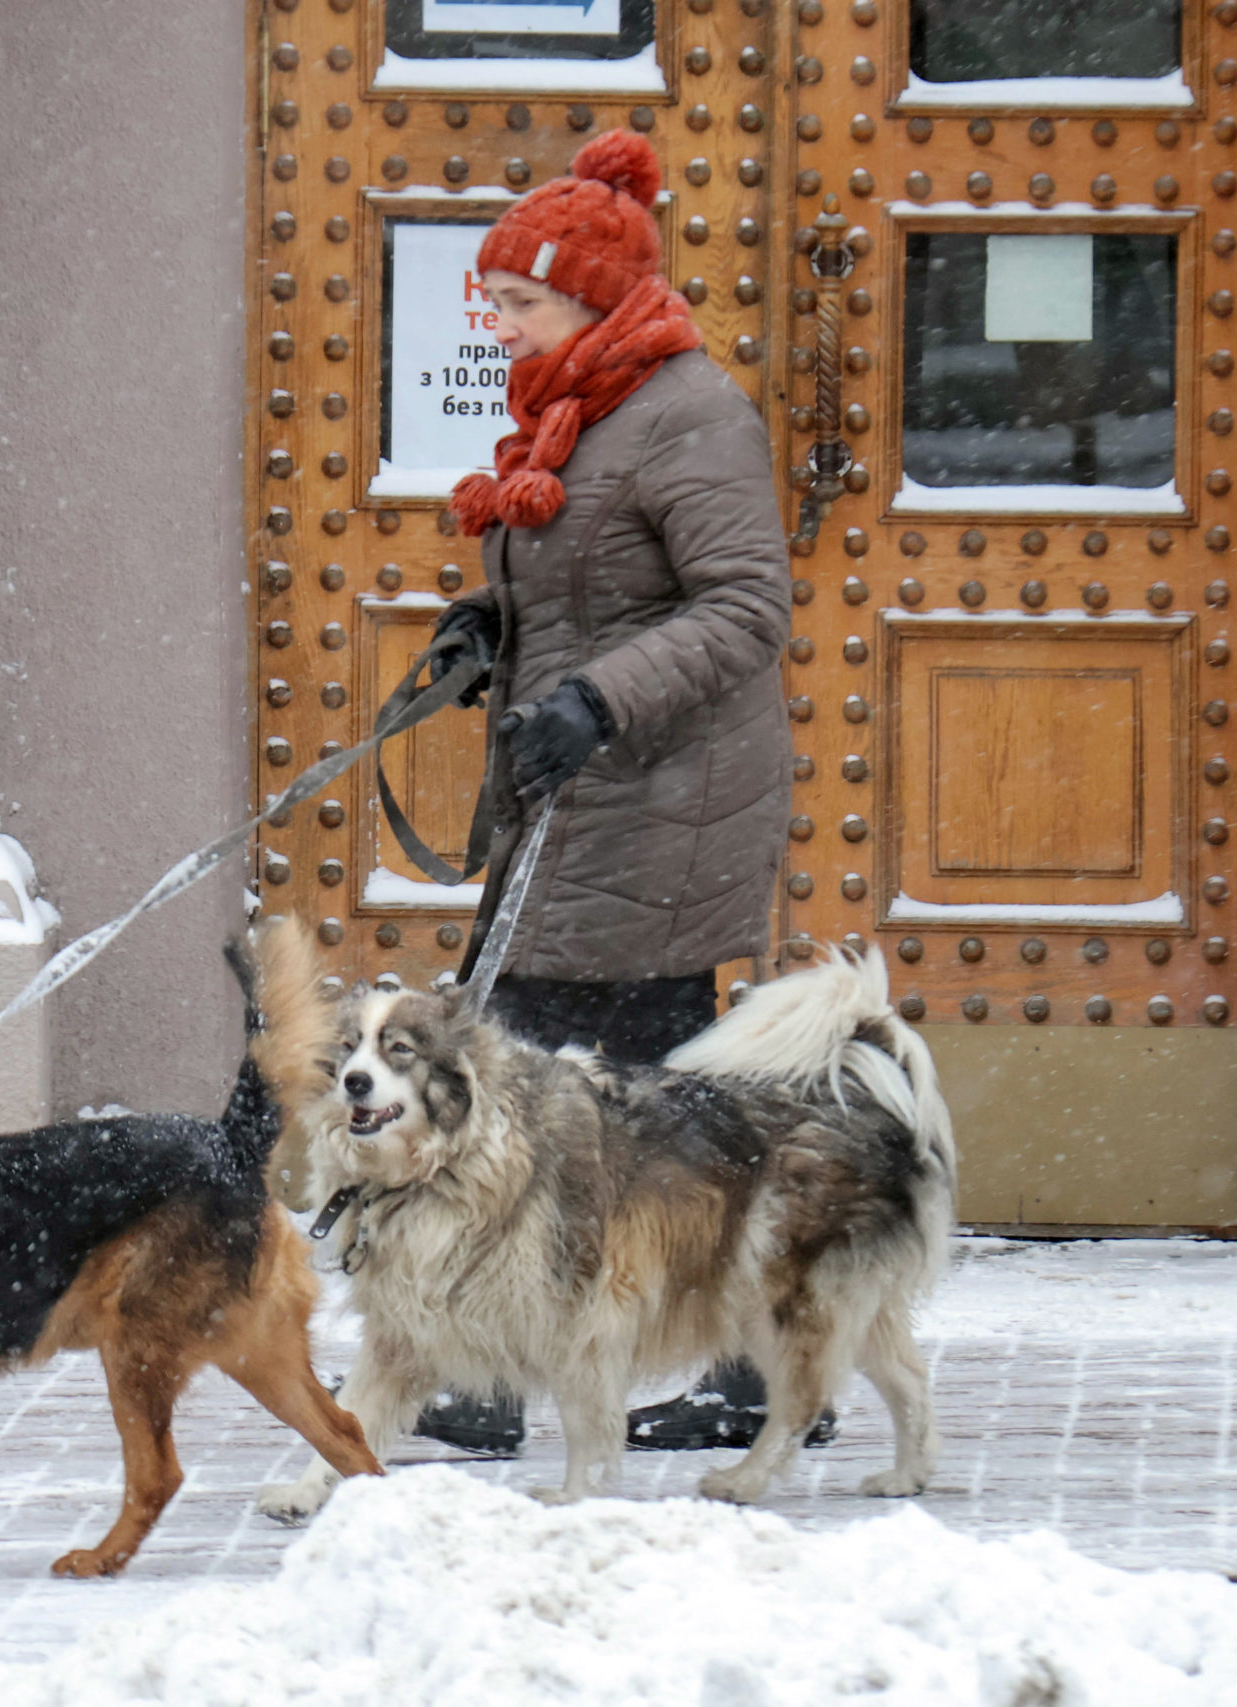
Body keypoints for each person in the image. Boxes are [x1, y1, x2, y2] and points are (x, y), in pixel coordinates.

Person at [405, 131, 813, 1457]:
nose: (502, 323)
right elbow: (594, 592)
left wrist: (597, 698)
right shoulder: (580, 405)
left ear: (588, 292)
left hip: (662, 797)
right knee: (554, 1087)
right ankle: (513, 1365)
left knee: (593, 1102)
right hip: (585, 789)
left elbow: (746, 603)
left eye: (520, 300)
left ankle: (746, 1373)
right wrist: (492, 628)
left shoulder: (687, 414)